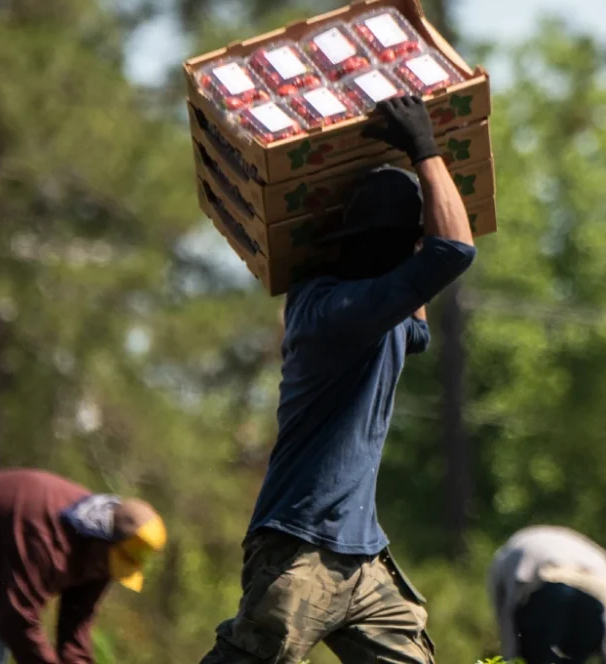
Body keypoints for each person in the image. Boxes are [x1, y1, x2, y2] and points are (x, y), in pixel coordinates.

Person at [199, 95, 477, 664]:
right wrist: (424, 147)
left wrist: (418, 213)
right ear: (395, 247)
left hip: (361, 557)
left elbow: (427, 281)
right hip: (300, 549)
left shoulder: (379, 310)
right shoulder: (336, 311)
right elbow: (454, 250)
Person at [0, 469, 168, 664]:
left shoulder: (101, 554)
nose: (107, 572)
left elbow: (76, 627)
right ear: (102, 535)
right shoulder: (47, 536)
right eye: (111, 563)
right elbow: (17, 617)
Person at [487, 526, 606, 664]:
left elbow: (507, 613)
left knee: (536, 654)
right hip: (592, 587)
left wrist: (510, 657)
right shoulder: (594, 557)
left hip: (547, 588)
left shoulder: (504, 557)